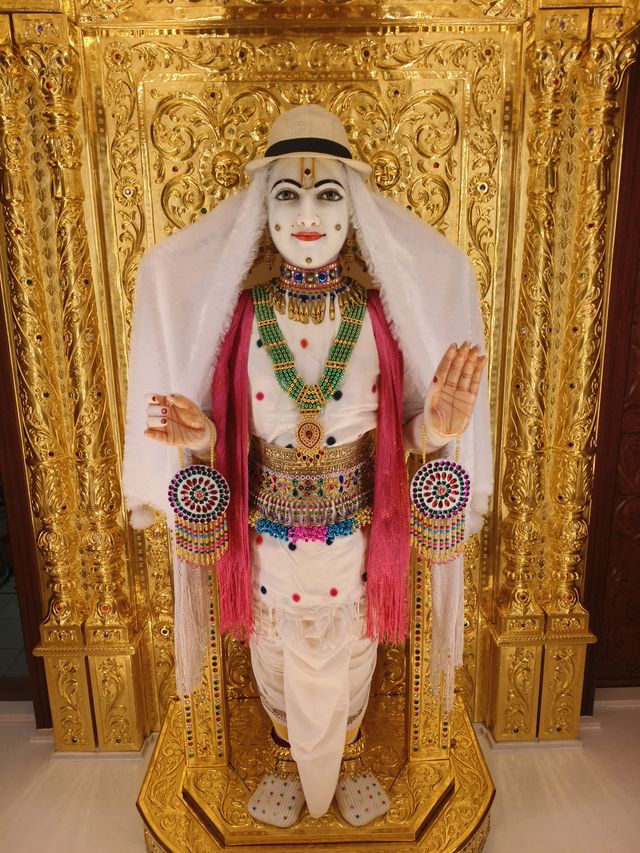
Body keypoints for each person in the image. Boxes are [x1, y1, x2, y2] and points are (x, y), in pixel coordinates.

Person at [123, 105, 492, 828]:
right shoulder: (244, 315)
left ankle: (348, 757)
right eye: (287, 196)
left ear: (354, 212)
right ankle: (287, 759)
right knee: (273, 657)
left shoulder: (379, 317)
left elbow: (404, 434)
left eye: (328, 195)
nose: (309, 216)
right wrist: (202, 435)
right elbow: (229, 433)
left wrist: (439, 427)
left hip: (356, 536)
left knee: (353, 653)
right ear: (263, 214)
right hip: (268, 535)